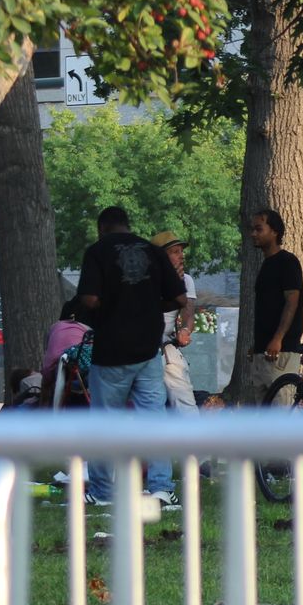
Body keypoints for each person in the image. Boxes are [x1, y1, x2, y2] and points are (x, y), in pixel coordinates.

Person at [77, 205, 190, 508]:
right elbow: (179, 297)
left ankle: (102, 492)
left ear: (102, 229)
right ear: (128, 226)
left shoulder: (97, 251)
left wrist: (106, 307)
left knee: (104, 424)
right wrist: (149, 304)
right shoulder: (152, 251)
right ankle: (161, 489)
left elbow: (89, 297)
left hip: (111, 351)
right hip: (148, 351)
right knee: (154, 420)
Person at [249, 209, 303, 396]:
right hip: (262, 350)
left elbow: (292, 301)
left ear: (274, 231)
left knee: (281, 410)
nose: (253, 234)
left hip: (282, 351)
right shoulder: (266, 264)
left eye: (259, 229)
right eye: (252, 229)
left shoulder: (287, 262)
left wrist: (278, 338)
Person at [152, 230, 197, 412]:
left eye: (181, 251)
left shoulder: (186, 280)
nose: (182, 256)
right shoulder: (147, 280)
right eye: (175, 252)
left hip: (166, 344)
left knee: (184, 395)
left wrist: (185, 330)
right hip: (143, 346)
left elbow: (188, 314)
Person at [39, 298, 90, 398]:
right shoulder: (87, 329)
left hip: (60, 367)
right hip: (85, 370)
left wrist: (47, 376)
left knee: (46, 386)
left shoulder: (54, 328)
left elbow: (49, 354)